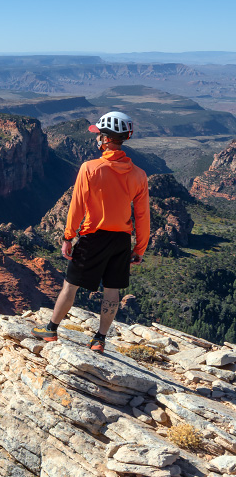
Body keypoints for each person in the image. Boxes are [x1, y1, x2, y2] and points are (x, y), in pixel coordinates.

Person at [31, 111, 150, 353]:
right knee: (112, 291)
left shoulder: (90, 168)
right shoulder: (139, 175)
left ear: (106, 139)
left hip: (93, 236)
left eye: (99, 135)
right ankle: (99, 339)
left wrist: (68, 236)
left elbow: (76, 205)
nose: (96, 139)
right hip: (121, 240)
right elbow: (142, 215)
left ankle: (51, 329)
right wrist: (140, 248)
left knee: (70, 285)